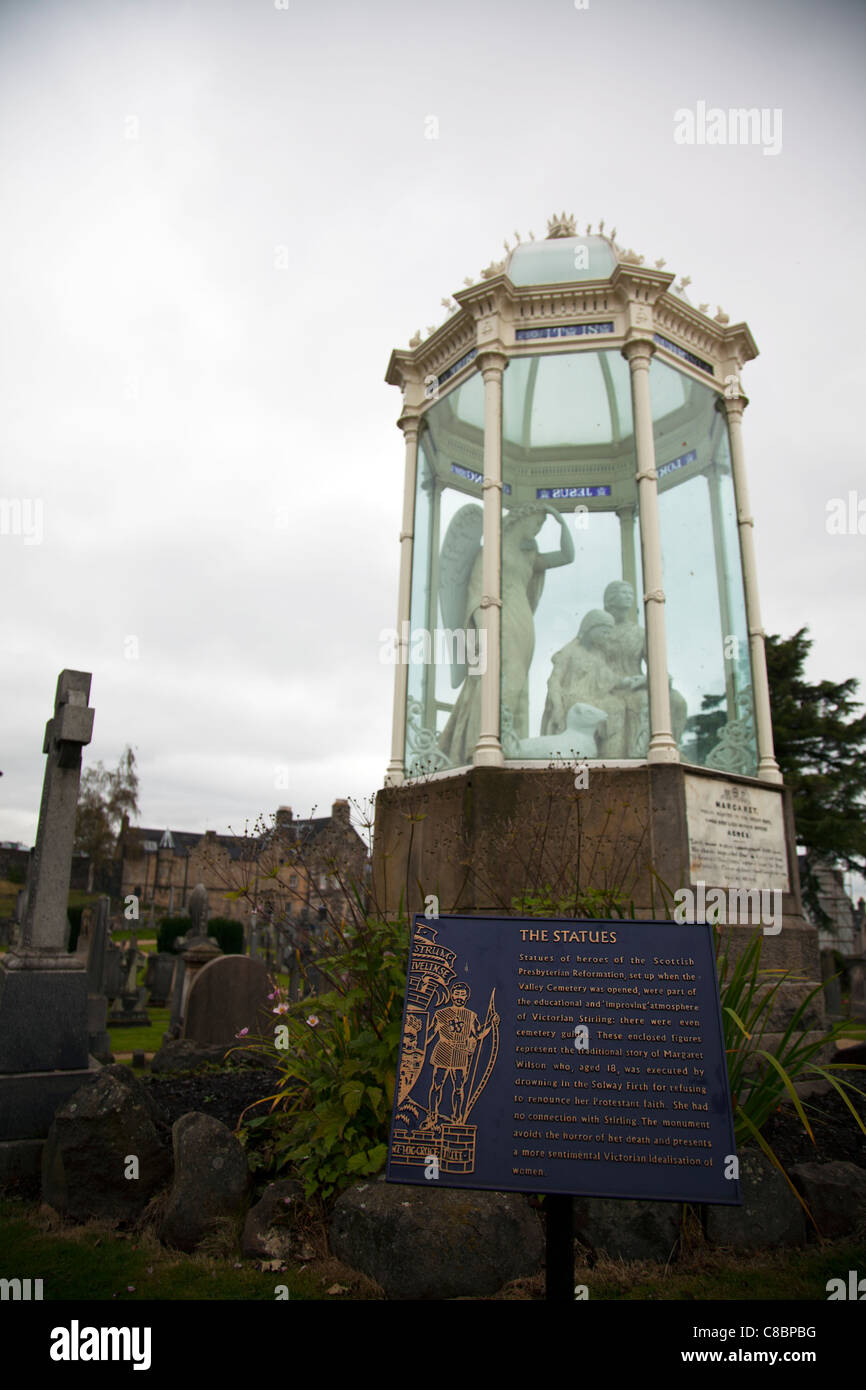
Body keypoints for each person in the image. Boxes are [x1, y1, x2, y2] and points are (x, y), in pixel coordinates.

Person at [438, 503, 574, 764]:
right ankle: (482, 742)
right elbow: (476, 589)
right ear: (521, 518)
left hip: (522, 618)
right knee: (503, 677)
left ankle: (511, 741)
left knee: (519, 681)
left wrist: (560, 521)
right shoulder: (491, 550)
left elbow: (567, 556)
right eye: (537, 522)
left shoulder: (529, 554)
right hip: (497, 615)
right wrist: (482, 624)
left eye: (542, 526)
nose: (538, 529)